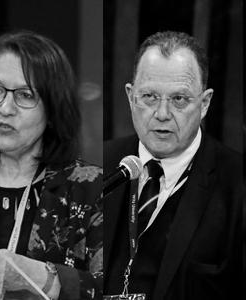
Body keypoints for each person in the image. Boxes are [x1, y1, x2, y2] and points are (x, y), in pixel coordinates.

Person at [0, 31, 103, 299]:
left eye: (25, 95)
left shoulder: (91, 188)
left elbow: (114, 288)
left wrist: (41, 277)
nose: (5, 108)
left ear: (53, 110)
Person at [103, 31, 243, 299]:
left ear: (204, 104)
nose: (163, 114)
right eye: (149, 97)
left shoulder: (236, 185)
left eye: (179, 99)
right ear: (131, 97)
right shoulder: (99, 167)